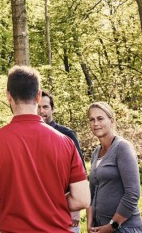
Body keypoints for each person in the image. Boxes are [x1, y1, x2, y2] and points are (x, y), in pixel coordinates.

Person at [0, 65, 90, 233]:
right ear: (38, 96)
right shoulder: (65, 142)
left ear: (8, 96)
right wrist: (51, 203)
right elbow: (82, 199)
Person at [86, 102, 142, 233]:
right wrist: (89, 225)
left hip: (124, 228)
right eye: (92, 119)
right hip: (99, 227)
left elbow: (133, 194)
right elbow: (91, 193)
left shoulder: (122, 148)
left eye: (100, 118)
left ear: (111, 121)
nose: (95, 123)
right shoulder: (96, 152)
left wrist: (112, 226)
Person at [38, 90, 87, 232]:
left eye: (45, 107)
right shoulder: (29, 137)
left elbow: (80, 174)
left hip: (65, 210)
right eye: (38, 107)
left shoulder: (67, 135)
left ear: (52, 109)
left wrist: (76, 209)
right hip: (38, 211)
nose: (41, 111)